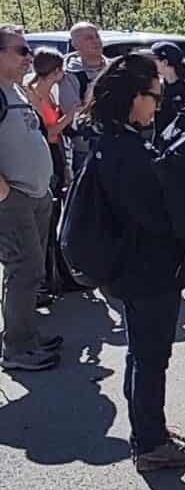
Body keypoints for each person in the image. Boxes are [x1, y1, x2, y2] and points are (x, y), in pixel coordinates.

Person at [84, 53, 185, 471]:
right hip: (146, 268)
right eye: (153, 96)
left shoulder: (113, 140)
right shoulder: (124, 150)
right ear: (132, 98)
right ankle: (151, 442)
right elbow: (154, 216)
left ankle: (149, 428)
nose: (158, 104)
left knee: (143, 354)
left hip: (134, 267)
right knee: (151, 356)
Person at [0, 26, 63, 372]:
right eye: (21, 51)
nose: (29, 57)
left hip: (37, 194)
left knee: (31, 271)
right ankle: (17, 350)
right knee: (24, 270)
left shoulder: (17, 92)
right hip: (16, 199)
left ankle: (24, 335)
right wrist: (6, 195)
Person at [25, 48, 76, 300]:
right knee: (48, 221)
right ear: (55, 71)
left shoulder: (46, 93)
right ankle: (49, 278)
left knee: (55, 218)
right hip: (47, 157)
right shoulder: (33, 95)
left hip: (56, 156)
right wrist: (74, 112)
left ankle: (57, 274)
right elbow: (52, 130)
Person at [59, 21, 109, 174]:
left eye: (97, 36)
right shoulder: (70, 75)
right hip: (86, 147)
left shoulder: (114, 68)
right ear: (75, 45)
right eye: (89, 38)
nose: (96, 41)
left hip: (119, 144)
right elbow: (73, 114)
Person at [151, 41, 185, 135]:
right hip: (160, 140)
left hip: (177, 140)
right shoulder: (160, 85)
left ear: (165, 62)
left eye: (154, 59)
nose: (151, 62)